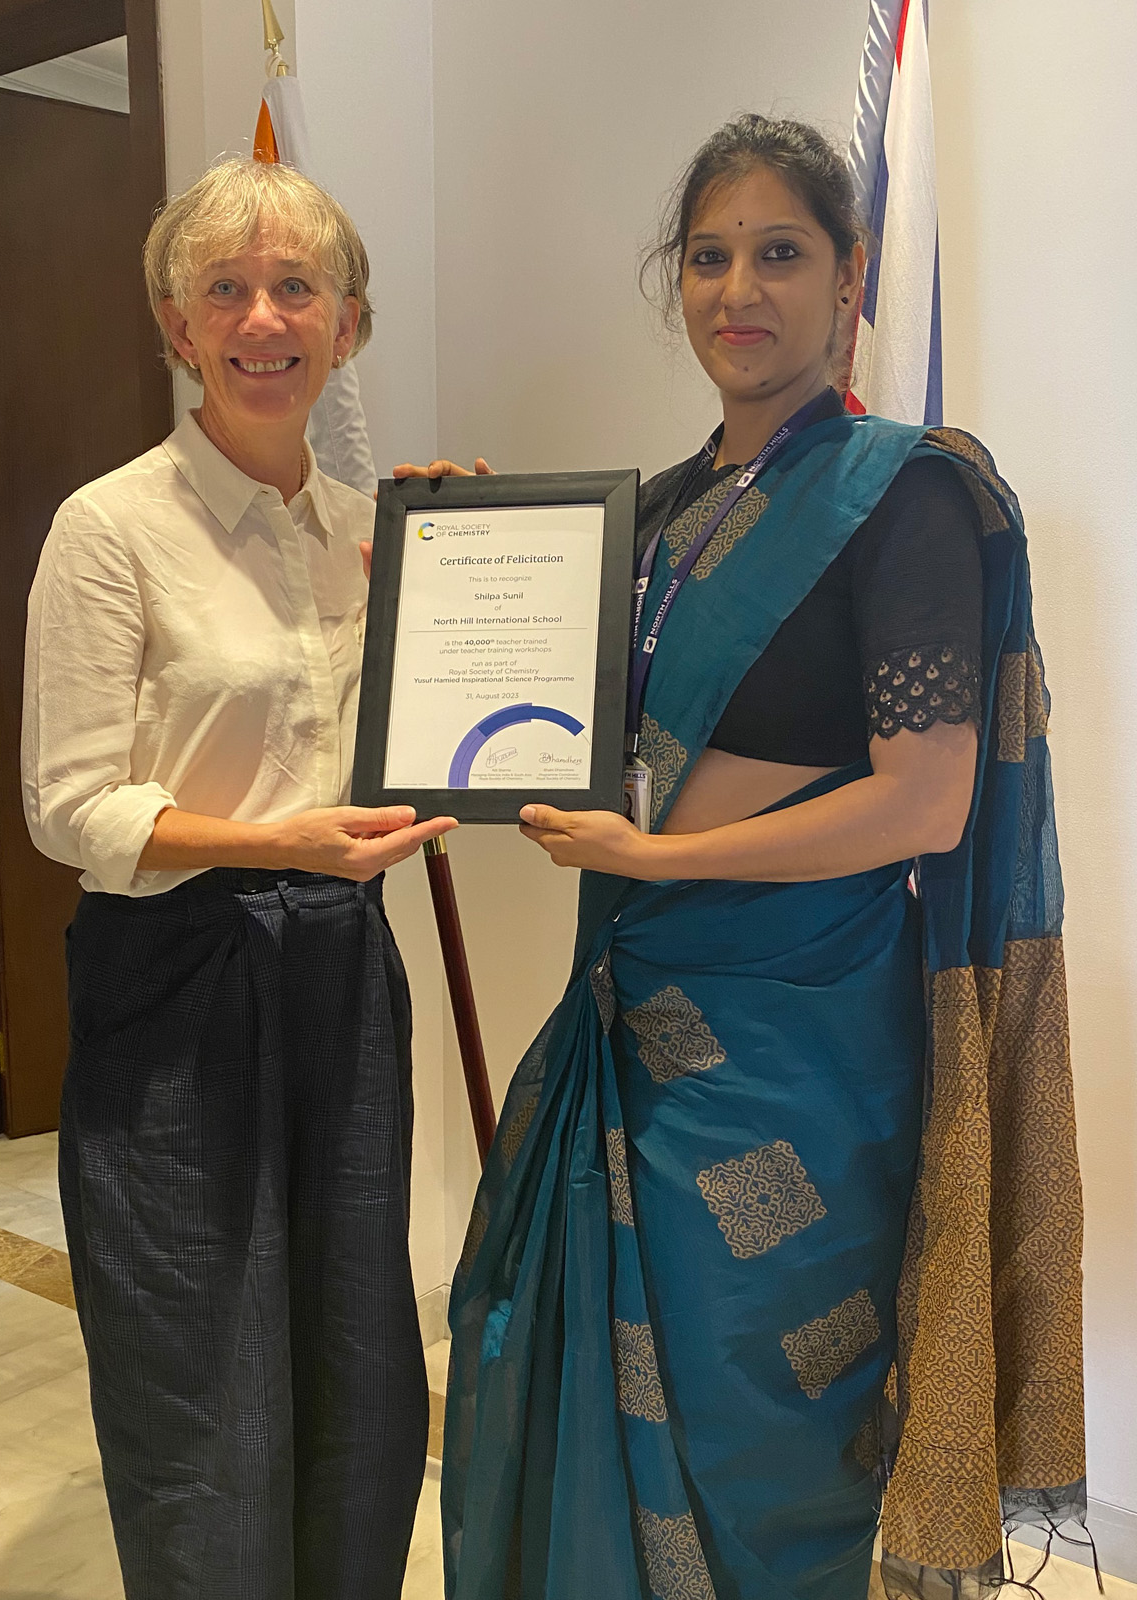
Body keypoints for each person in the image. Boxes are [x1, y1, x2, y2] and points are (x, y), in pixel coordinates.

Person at [396, 117, 1086, 1600]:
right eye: (708, 257)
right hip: (631, 1014)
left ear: (849, 278)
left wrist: (658, 857)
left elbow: (925, 802)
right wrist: (459, 549)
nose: (738, 289)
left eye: (780, 252)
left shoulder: (902, 494)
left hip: (799, 1044)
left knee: (772, 1413)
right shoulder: (652, 515)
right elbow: (541, 717)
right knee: (588, 1366)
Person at [22, 157, 456, 1600]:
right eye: (226, 289)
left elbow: (434, 723)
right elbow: (70, 809)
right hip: (178, 980)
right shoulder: (111, 528)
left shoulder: (376, 533)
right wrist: (283, 844)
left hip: (344, 967)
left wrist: (477, 554)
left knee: (353, 1349)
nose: (263, 317)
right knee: (195, 1361)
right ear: (177, 326)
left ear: (349, 324)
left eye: (296, 287)